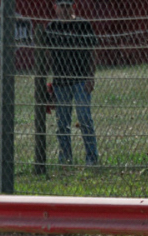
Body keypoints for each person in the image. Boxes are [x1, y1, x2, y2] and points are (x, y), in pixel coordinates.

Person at [45, 0, 98, 166]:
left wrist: (91, 76)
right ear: (56, 8)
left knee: (84, 119)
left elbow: (92, 52)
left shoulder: (83, 25)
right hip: (61, 82)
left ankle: (91, 158)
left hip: (81, 80)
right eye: (62, 6)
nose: (65, 9)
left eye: (68, 6)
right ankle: (66, 159)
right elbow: (47, 56)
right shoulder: (51, 28)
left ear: (73, 7)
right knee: (62, 124)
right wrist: (46, 80)